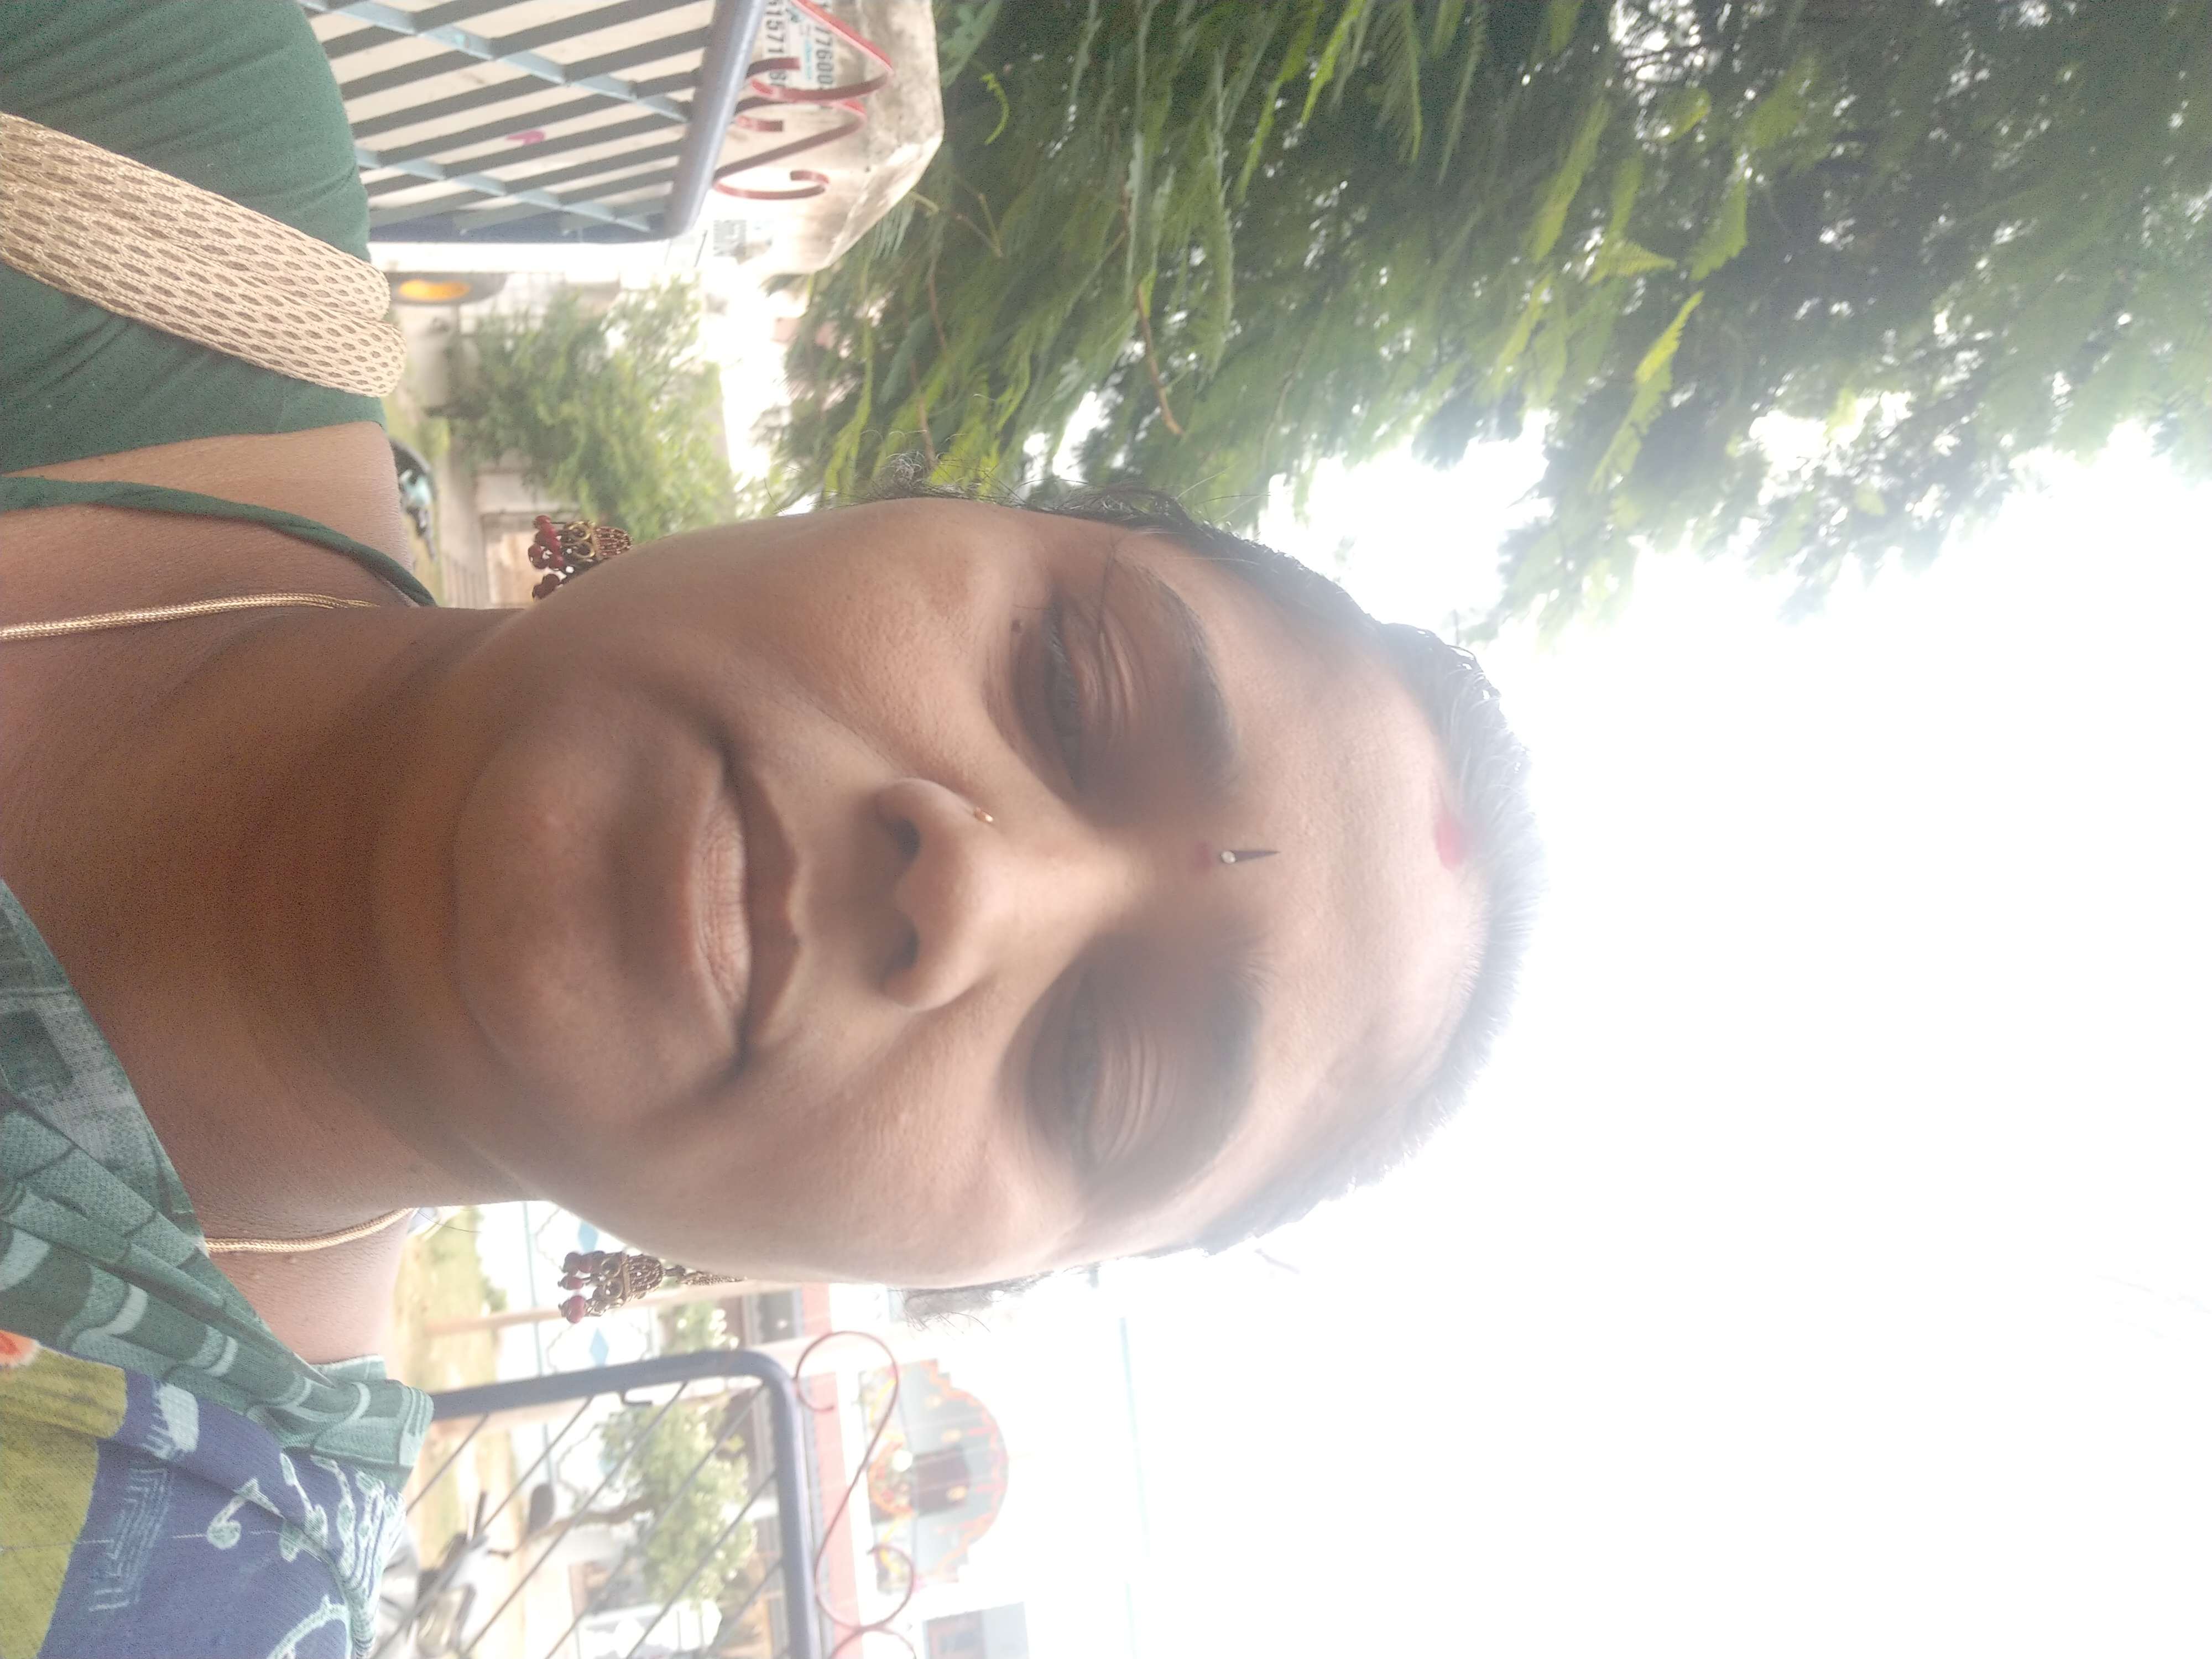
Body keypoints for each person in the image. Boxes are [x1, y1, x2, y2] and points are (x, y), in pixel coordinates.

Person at [0, 3, 1538, 1655]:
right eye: (1069, 686)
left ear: (943, 1277)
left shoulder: (146, 1581)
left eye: (1100, 1073)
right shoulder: (133, 139)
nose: (977, 885)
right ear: (910, 503)